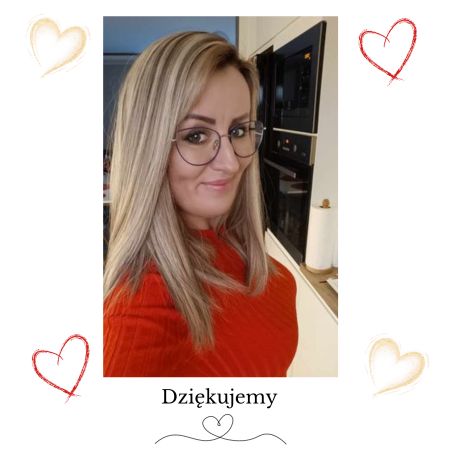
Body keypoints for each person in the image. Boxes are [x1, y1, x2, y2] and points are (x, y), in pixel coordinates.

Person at [103, 31, 298, 377]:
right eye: (196, 136)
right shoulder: (141, 307)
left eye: (239, 131)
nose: (231, 162)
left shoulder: (240, 251)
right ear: (149, 150)